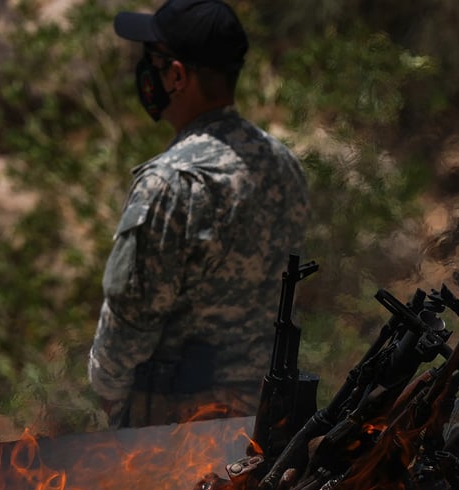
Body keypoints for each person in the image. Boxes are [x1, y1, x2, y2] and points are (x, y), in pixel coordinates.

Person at [88, 0, 310, 427]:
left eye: (151, 61)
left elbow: (132, 314)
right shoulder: (284, 165)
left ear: (175, 75)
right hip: (262, 421)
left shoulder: (170, 181)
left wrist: (108, 388)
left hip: (172, 434)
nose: (144, 72)